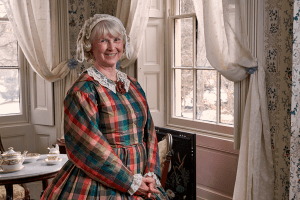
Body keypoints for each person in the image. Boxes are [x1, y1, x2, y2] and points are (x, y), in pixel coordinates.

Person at [41, 14, 168, 200]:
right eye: (103, 41)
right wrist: (130, 183)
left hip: (141, 175)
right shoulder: (83, 90)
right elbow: (88, 146)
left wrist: (150, 173)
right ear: (90, 47)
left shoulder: (133, 85)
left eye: (117, 40)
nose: (112, 47)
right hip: (101, 180)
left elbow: (149, 133)